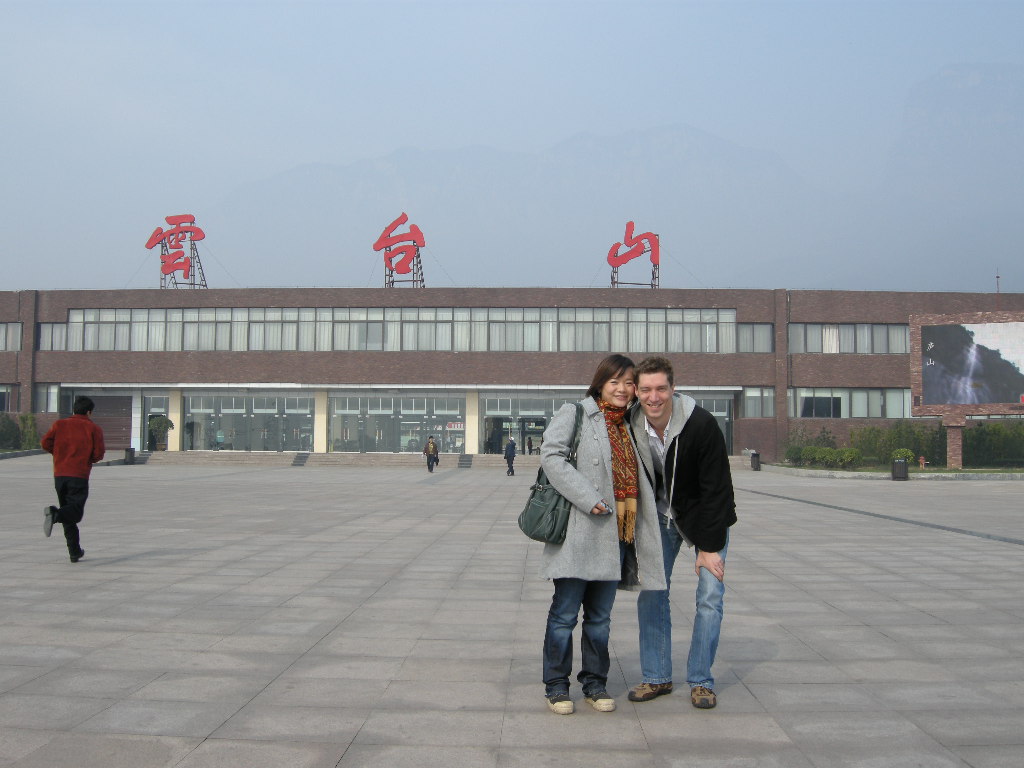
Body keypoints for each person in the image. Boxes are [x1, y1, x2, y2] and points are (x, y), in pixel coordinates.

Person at [539, 354, 665, 715]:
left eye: (629, 383)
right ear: (600, 384)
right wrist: (588, 497)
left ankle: (595, 683)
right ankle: (556, 685)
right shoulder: (576, 413)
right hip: (580, 534)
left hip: (617, 537)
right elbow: (551, 456)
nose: (623, 389)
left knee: (600, 618)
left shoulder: (631, 423)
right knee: (565, 614)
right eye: (616, 382)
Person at [627, 356, 736, 709]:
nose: (653, 397)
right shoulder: (631, 422)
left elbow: (718, 491)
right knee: (652, 593)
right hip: (659, 518)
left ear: (673, 388)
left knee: (709, 596)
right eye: (645, 389)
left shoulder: (701, 425)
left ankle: (701, 679)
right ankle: (656, 676)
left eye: (660, 388)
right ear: (637, 391)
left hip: (704, 517)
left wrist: (709, 547)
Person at [41, 395, 105, 563]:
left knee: (67, 512)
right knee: (74, 512)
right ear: (89, 412)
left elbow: (45, 443)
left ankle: (74, 552)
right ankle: (54, 514)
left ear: (74, 409)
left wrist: (59, 454)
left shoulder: (59, 424)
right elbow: (98, 454)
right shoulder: (93, 429)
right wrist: (87, 459)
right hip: (79, 475)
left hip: (60, 475)